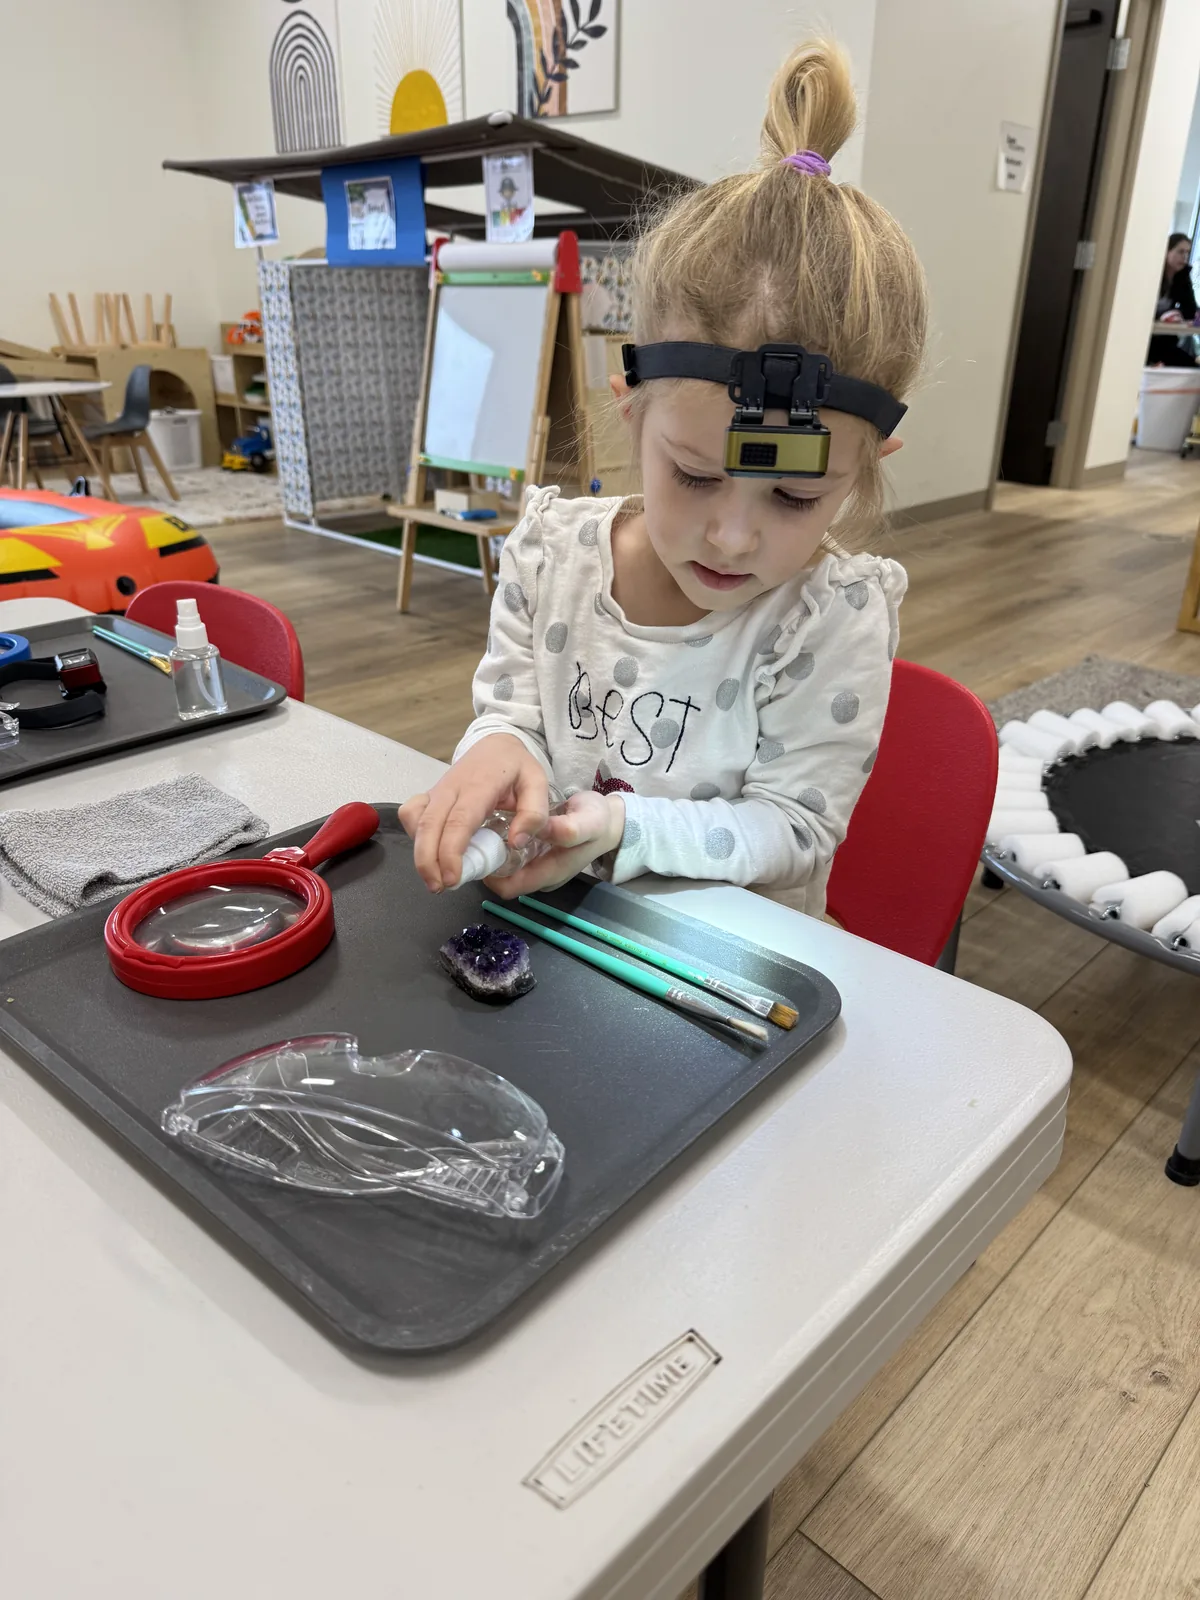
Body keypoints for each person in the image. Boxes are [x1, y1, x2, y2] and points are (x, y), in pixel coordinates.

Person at [400, 39, 929, 920]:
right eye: (693, 476)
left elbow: (795, 825)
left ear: (864, 471)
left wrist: (620, 828)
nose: (732, 536)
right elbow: (513, 713)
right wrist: (494, 747)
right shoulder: (551, 555)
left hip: (734, 975)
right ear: (633, 413)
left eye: (795, 496)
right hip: (563, 935)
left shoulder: (827, 618)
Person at [1148, 233, 1197, 367]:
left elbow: (1191, 310)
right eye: (1180, 251)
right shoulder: (1152, 272)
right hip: (1145, 338)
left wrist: (1176, 313)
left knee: (1192, 369)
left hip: (1165, 341)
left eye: (1187, 252)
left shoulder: (1182, 276)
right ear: (1166, 251)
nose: (1185, 257)